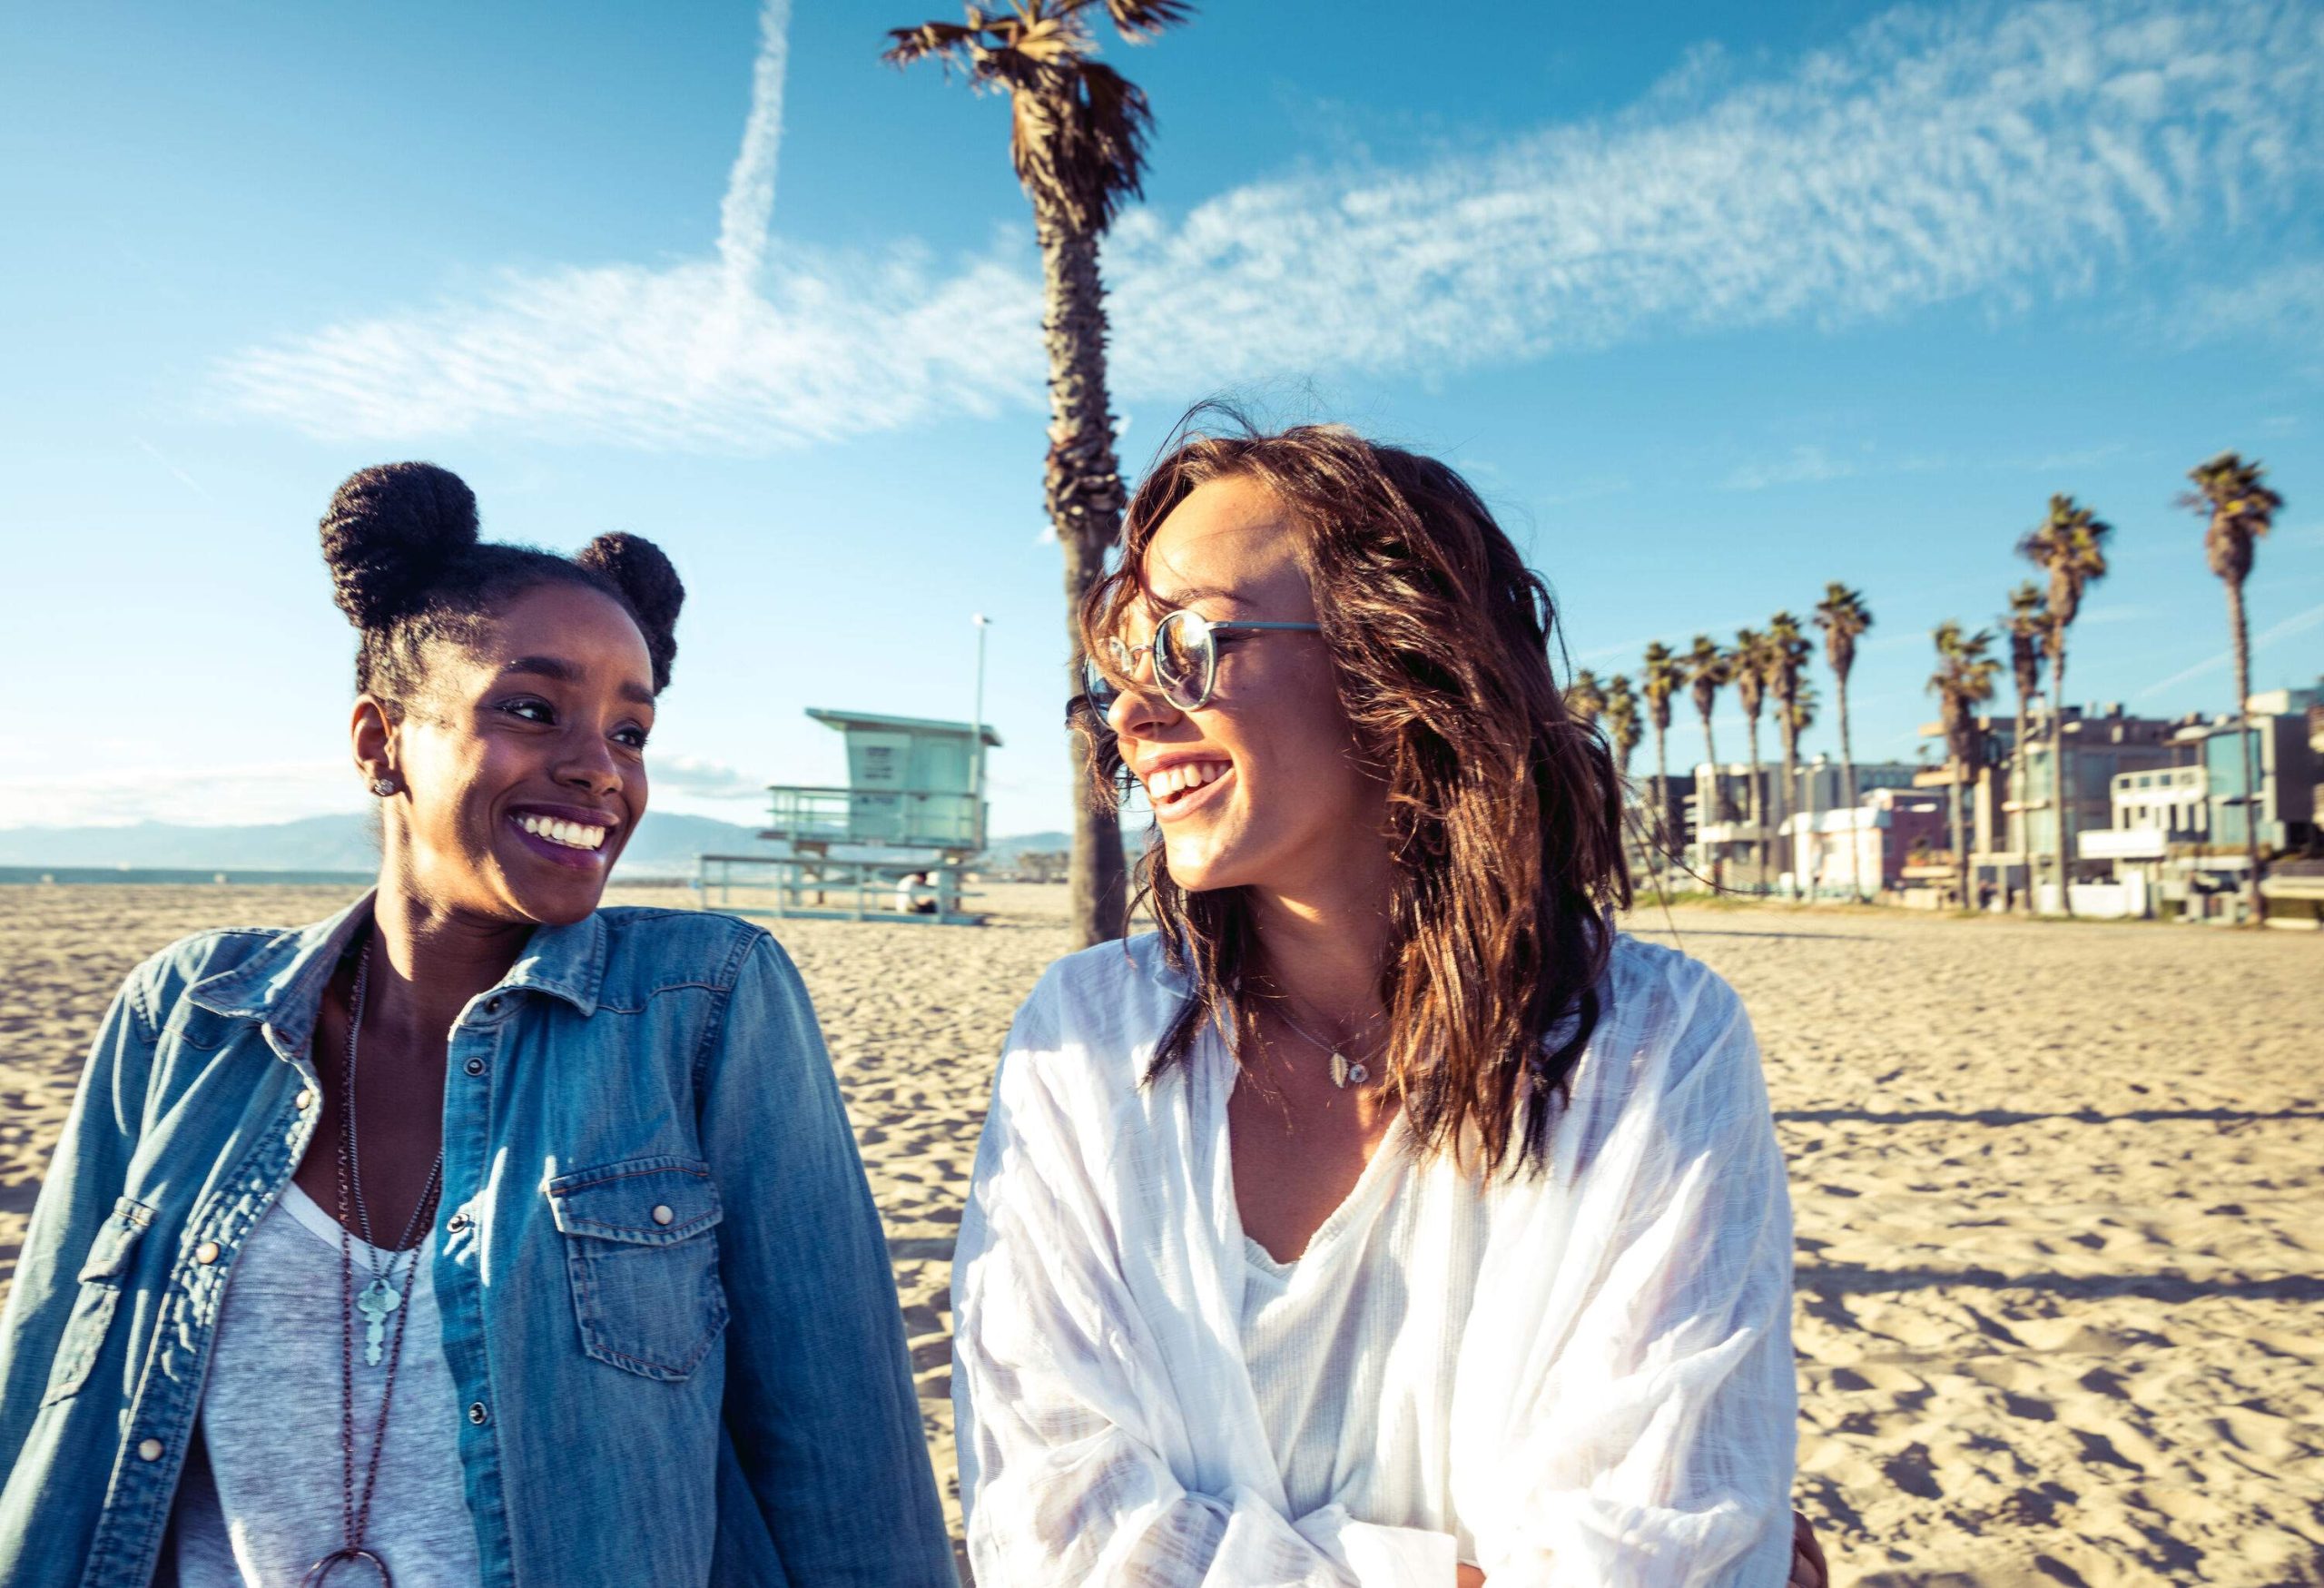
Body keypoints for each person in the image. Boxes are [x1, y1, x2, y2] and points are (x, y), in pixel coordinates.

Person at [0, 464, 956, 1587]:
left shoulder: (701, 1004)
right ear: (378, 741)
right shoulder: (188, 1015)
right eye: (532, 709)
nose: (600, 768)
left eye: (633, 730)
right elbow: (47, 1410)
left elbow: (843, 1458)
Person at [951, 419, 1827, 1587]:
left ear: (1403, 660)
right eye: (1114, 674)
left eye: (1184, 646)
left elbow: (1659, 1554)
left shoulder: (1652, 1046)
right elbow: (1051, 1537)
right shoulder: (1082, 1040)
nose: (1128, 714)